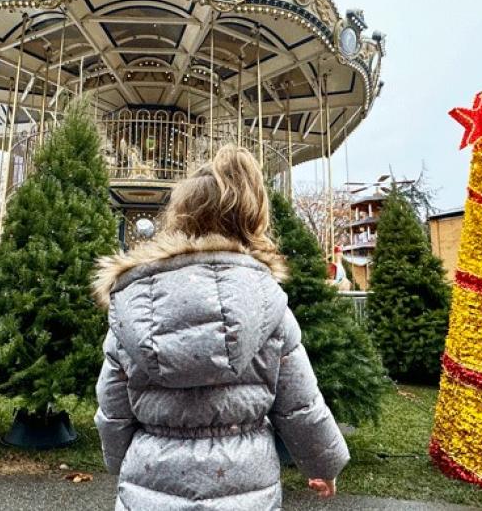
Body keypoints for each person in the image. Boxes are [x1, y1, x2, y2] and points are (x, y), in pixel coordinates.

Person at [93, 145, 349, 510]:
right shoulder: (267, 302)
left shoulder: (132, 302)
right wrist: (324, 463)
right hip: (243, 487)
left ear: (180, 218)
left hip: (152, 482)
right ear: (247, 219)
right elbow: (300, 405)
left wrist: (120, 462)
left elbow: (113, 407)